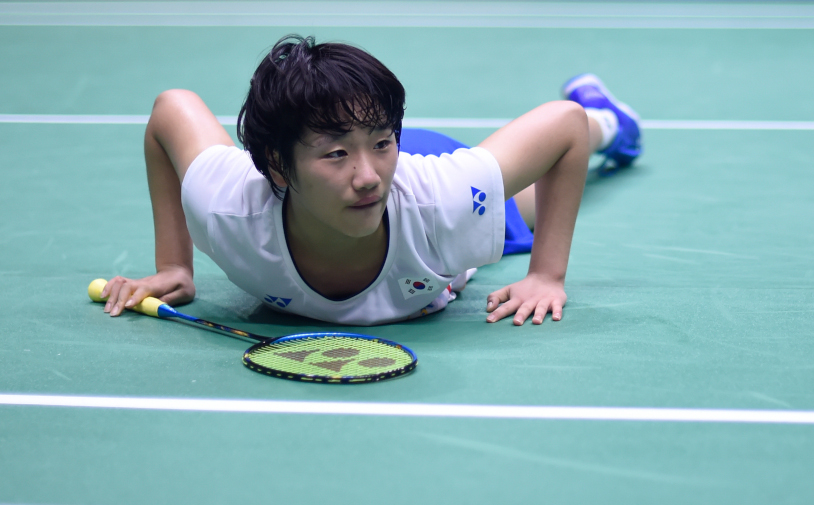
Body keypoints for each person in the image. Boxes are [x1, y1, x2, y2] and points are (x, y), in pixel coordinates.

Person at [100, 35, 641, 326]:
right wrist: (176, 265)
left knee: (524, 202)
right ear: (276, 164)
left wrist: (546, 274)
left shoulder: (443, 201)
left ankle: (610, 118)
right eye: (335, 154)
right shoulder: (226, 206)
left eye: (382, 141)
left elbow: (561, 126)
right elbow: (171, 109)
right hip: (361, 176)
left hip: (421, 178)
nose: (365, 179)